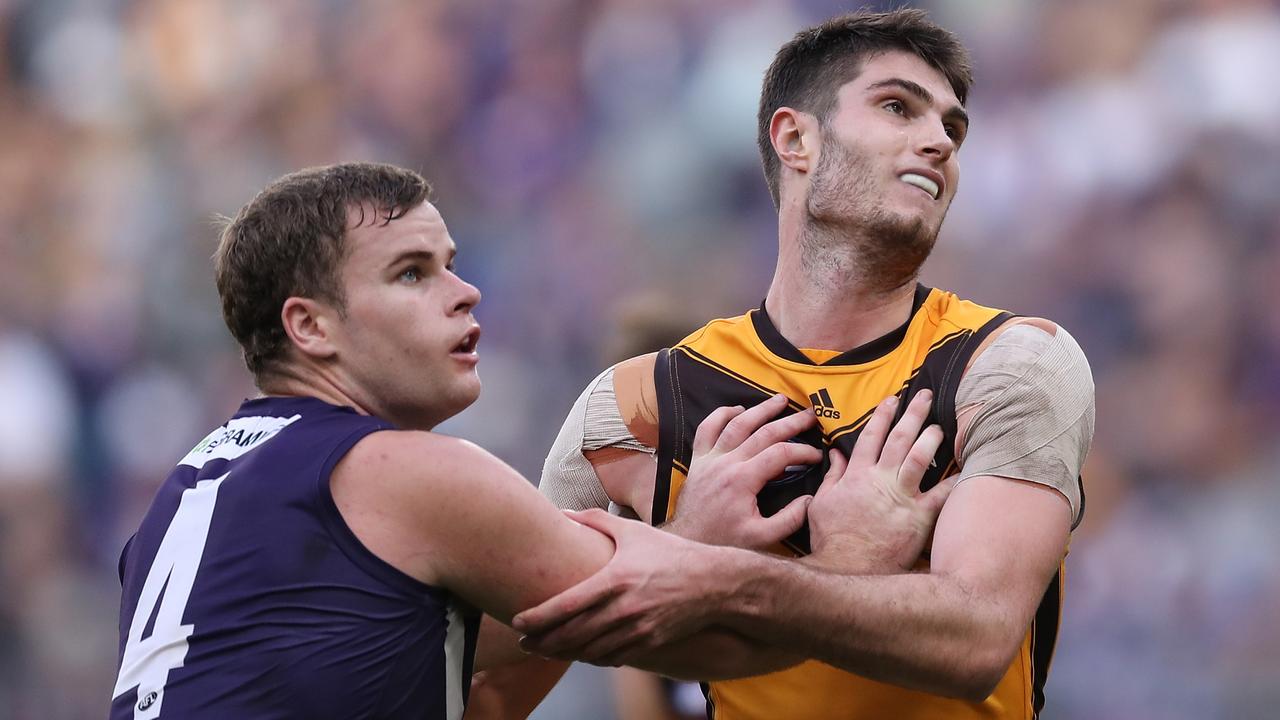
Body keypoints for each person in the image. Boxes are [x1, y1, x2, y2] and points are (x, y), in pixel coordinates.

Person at [108, 162, 953, 720]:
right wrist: (846, 558)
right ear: (311, 327)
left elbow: (487, 685)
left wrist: (675, 550)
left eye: (450, 261)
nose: (467, 292)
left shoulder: (181, 503)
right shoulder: (399, 474)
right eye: (412, 273)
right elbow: (714, 643)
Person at [525, 8, 1094, 720]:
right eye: (898, 108)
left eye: (953, 128)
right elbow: (500, 658)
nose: (938, 143)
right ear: (796, 137)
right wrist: (692, 542)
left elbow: (976, 639)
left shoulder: (1008, 365)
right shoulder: (641, 403)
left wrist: (710, 573)